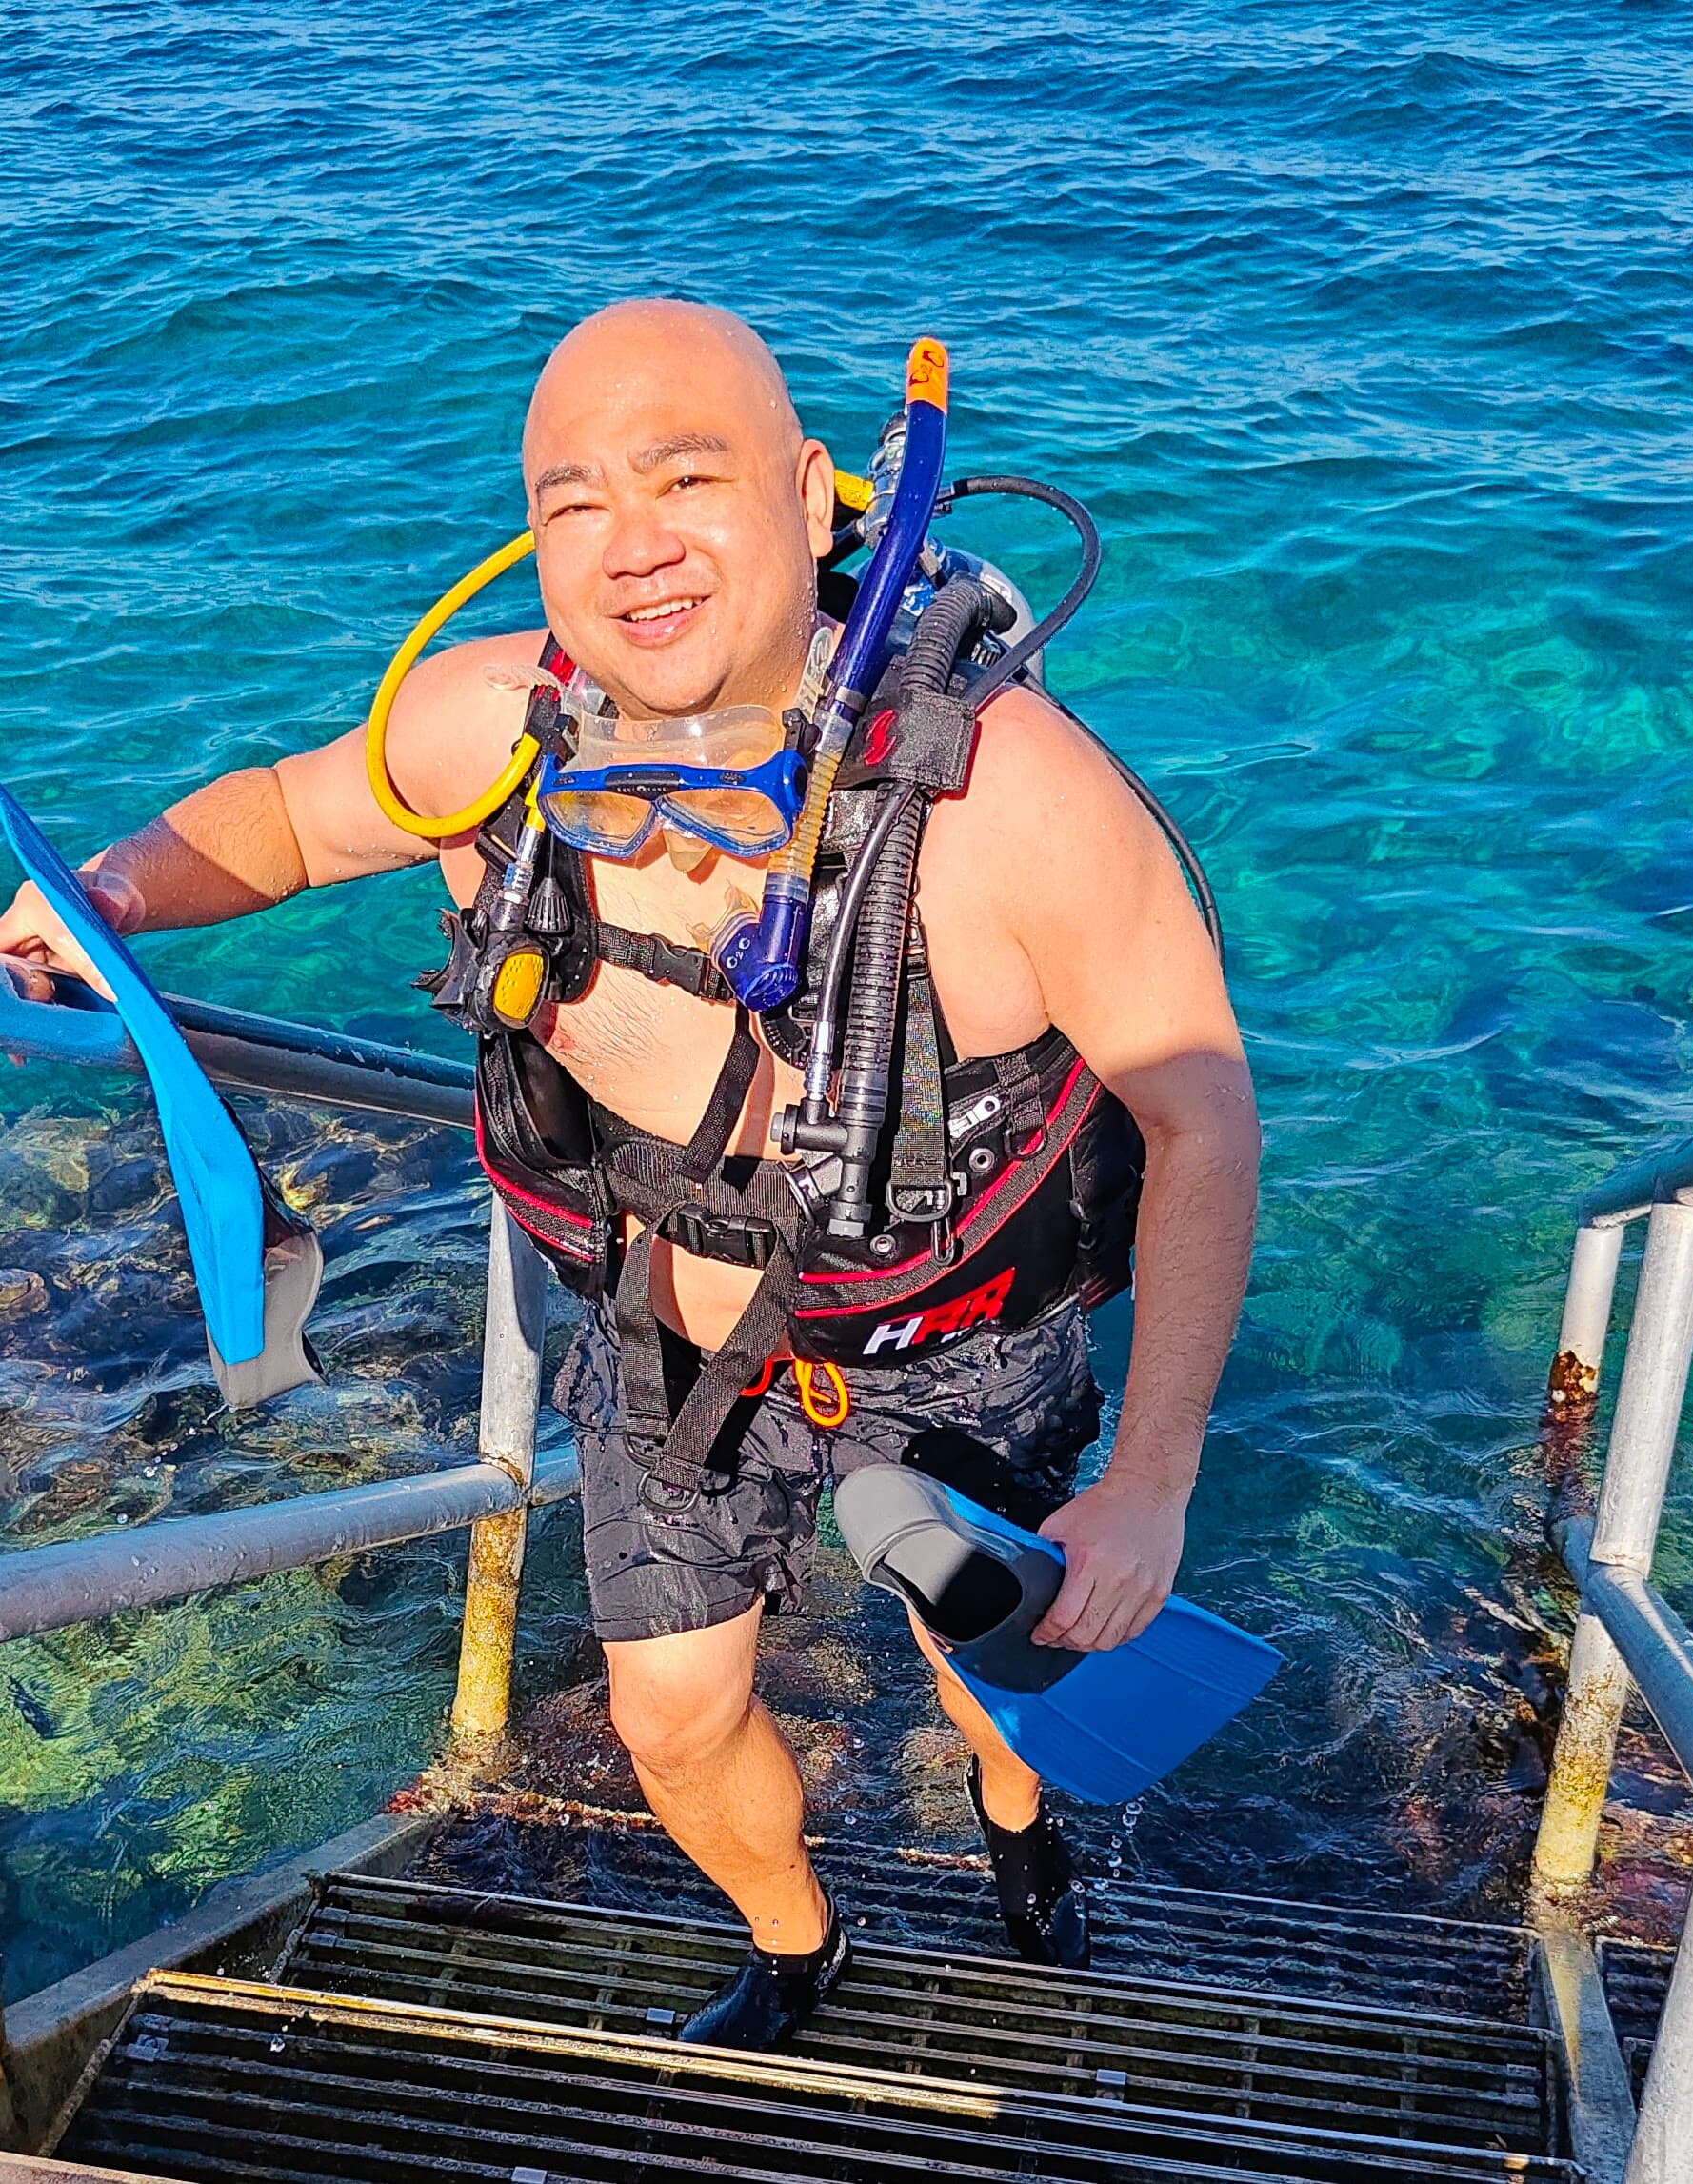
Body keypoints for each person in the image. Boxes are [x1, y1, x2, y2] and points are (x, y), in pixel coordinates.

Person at [0, 299, 1259, 2049]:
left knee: (997, 1672)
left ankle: (1022, 1826)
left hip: (946, 1328)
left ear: (810, 493)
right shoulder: (495, 732)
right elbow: (290, 818)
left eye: (687, 476)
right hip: (664, 1334)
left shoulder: (1011, 802)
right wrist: (118, 898)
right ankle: (801, 1943)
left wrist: (1155, 1477)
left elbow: (1200, 1112)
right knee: (670, 1723)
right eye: (573, 498)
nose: (632, 542)